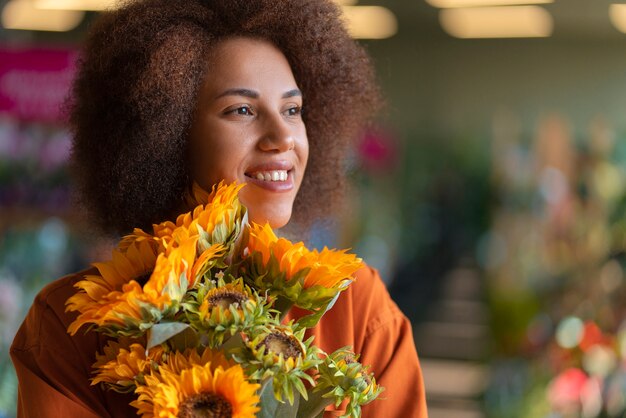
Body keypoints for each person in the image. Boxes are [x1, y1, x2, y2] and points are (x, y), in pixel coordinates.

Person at [10, 0, 428, 416]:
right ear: (165, 137)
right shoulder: (69, 329)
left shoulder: (358, 310)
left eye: (293, 110)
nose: (283, 136)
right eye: (241, 110)